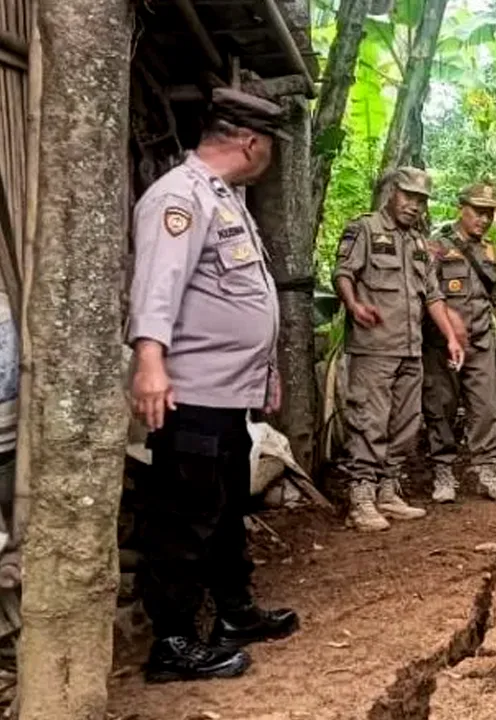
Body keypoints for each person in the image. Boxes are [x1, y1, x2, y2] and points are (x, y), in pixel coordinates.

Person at [128, 88, 298, 683]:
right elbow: (157, 283)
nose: (270, 156)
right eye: (271, 145)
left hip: (227, 394)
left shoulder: (224, 198)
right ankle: (172, 643)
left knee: (224, 509)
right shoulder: (179, 197)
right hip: (190, 393)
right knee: (183, 517)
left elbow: (238, 298)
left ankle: (234, 612)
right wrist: (150, 359)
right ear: (251, 143)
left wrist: (266, 374)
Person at [333, 167, 463, 532]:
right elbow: (342, 272)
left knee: (406, 423)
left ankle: (388, 490)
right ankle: (361, 499)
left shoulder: (419, 243)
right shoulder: (365, 229)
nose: (414, 205)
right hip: (374, 348)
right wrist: (354, 304)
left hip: (411, 349)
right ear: (392, 193)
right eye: (408, 196)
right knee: (369, 421)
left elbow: (433, 295)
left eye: (421, 200)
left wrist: (451, 337)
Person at [422, 183, 496, 503]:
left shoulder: (490, 251)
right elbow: (428, 293)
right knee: (441, 407)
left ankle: (488, 471)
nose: (484, 219)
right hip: (443, 345)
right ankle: (443, 472)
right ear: (461, 208)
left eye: (489, 213)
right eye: (478, 212)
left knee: (487, 408)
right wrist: (450, 325)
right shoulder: (436, 245)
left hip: (481, 342)